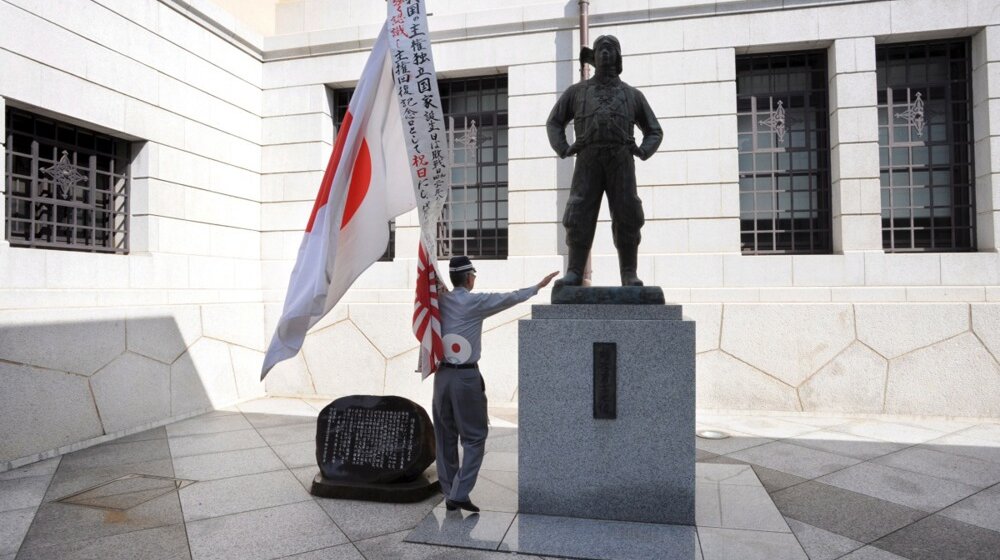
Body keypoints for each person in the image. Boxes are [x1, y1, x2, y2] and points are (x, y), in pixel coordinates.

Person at [433, 255, 558, 512]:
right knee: (475, 436)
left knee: (445, 435)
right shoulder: (474, 301)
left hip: (442, 376)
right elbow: (508, 298)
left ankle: (450, 493)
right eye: (474, 276)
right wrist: (537, 287)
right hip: (465, 377)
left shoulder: (438, 301)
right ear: (469, 278)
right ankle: (459, 492)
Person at [546, 34, 663, 287]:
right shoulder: (576, 92)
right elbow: (554, 122)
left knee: (628, 213)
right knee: (578, 212)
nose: (606, 53)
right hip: (587, 160)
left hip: (621, 160)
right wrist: (565, 148)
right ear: (594, 56)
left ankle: (629, 273)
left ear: (618, 57)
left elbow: (654, 130)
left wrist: (642, 150)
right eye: (601, 49)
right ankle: (575, 271)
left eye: (611, 49)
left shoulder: (633, 95)